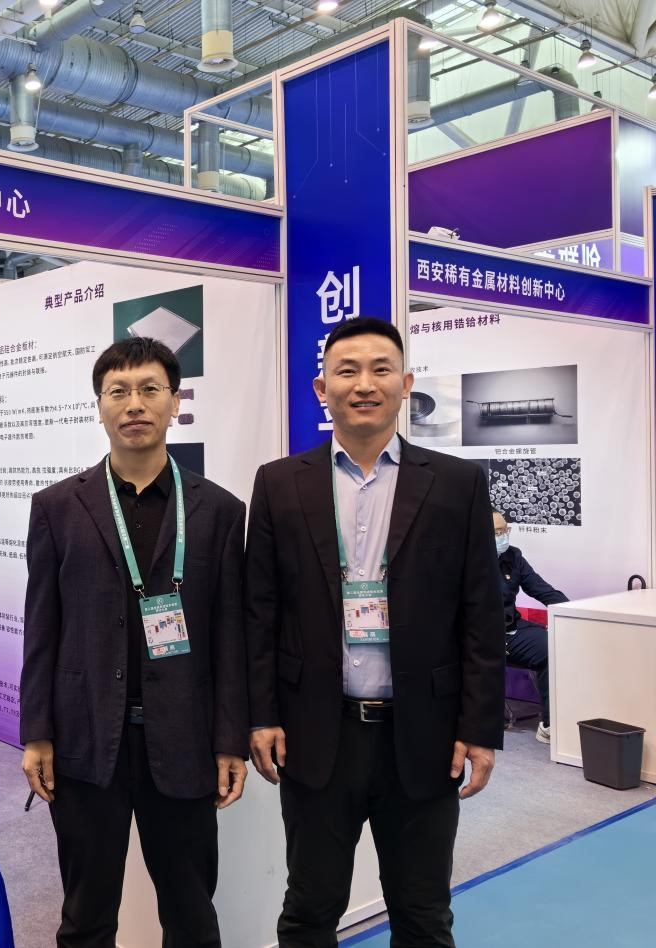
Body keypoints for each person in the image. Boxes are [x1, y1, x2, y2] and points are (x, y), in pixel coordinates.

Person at [244, 317, 506, 947]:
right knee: (310, 909)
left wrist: (478, 728)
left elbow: (480, 614)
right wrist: (262, 714)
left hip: (425, 734)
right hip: (316, 732)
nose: (365, 384)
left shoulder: (458, 484)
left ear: (406, 383)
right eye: (347, 371)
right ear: (322, 388)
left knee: (423, 913)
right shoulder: (279, 483)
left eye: (381, 369)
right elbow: (260, 611)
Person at [20, 336, 249, 948]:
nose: (134, 404)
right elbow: (41, 629)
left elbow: (231, 636)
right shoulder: (57, 508)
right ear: (99, 406)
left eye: (150, 390)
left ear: (176, 402)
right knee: (86, 916)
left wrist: (230, 739)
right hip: (86, 741)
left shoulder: (220, 511)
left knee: (192, 916)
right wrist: (36, 732)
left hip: (184, 740)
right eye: (118, 392)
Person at [493, 511, 568, 743]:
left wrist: (573, 613)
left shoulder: (513, 557)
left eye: (505, 530)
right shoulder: (465, 562)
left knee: (553, 646)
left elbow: (542, 590)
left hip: (512, 627)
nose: (503, 536)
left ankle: (550, 724)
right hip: (482, 634)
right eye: (497, 532)